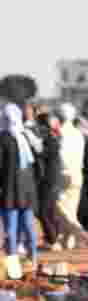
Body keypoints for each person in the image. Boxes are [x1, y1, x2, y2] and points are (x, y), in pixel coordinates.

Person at [52, 103, 88, 250]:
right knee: (71, 208)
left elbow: (60, 155)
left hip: (63, 173)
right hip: (77, 173)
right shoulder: (78, 134)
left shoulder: (59, 134)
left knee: (59, 207)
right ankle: (66, 241)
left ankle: (80, 234)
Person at [0, 104, 38, 272]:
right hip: (22, 190)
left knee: (15, 230)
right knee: (23, 229)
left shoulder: (6, 138)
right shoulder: (23, 137)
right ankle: (28, 263)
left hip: (12, 191)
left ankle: (19, 267)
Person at [35, 112, 62, 251]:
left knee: (43, 211)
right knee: (50, 211)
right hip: (52, 180)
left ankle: (53, 239)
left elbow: (43, 154)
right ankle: (52, 238)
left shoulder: (50, 139)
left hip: (50, 180)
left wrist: (36, 147)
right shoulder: (51, 137)